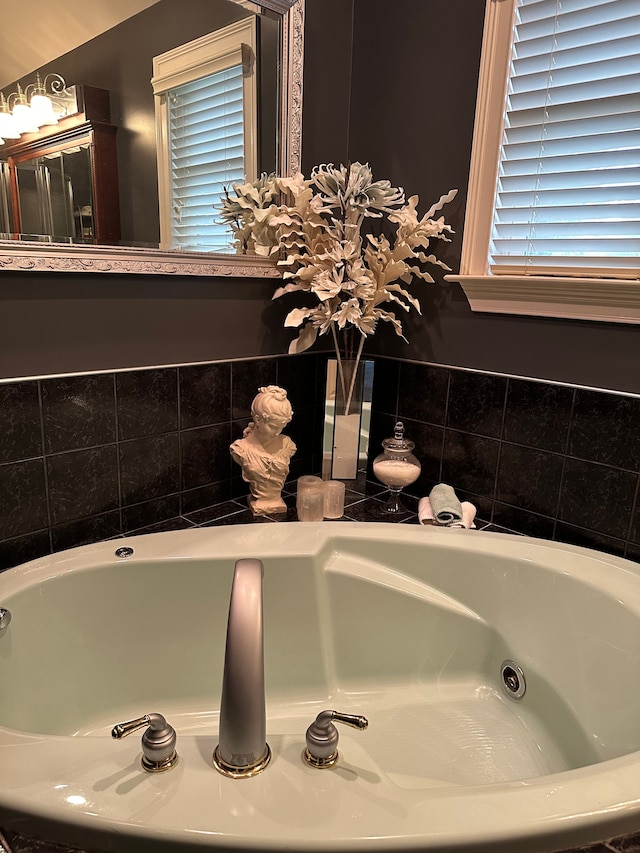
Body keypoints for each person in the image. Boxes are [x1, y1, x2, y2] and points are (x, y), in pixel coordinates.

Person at [230, 385, 296, 515]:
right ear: (258, 419)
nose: (277, 433)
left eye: (281, 427)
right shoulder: (241, 449)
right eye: (273, 427)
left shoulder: (287, 445)